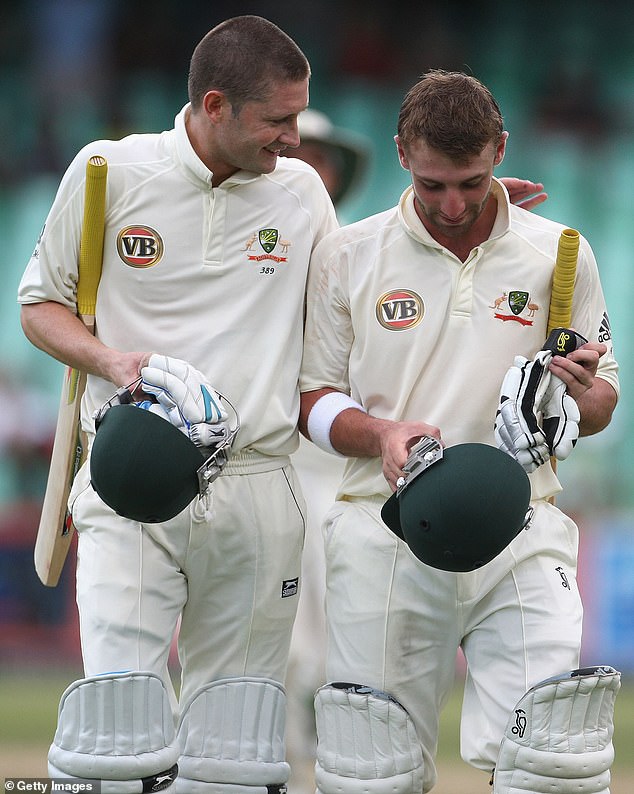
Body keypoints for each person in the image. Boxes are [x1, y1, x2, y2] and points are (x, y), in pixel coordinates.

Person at [17, 16, 339, 793]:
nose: (296, 138)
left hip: (260, 486)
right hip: (132, 475)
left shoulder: (302, 197)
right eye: (280, 120)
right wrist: (108, 358)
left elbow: (344, 323)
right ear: (216, 104)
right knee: (117, 735)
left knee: (231, 750)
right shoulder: (108, 173)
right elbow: (40, 305)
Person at [298, 70, 620, 794]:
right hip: (384, 531)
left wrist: (577, 397)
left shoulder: (559, 252)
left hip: (522, 528)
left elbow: (604, 401)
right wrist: (378, 433)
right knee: (369, 776)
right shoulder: (348, 254)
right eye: (433, 182)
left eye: (471, 182)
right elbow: (312, 399)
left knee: (556, 766)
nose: (453, 204)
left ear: (501, 149)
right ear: (402, 152)